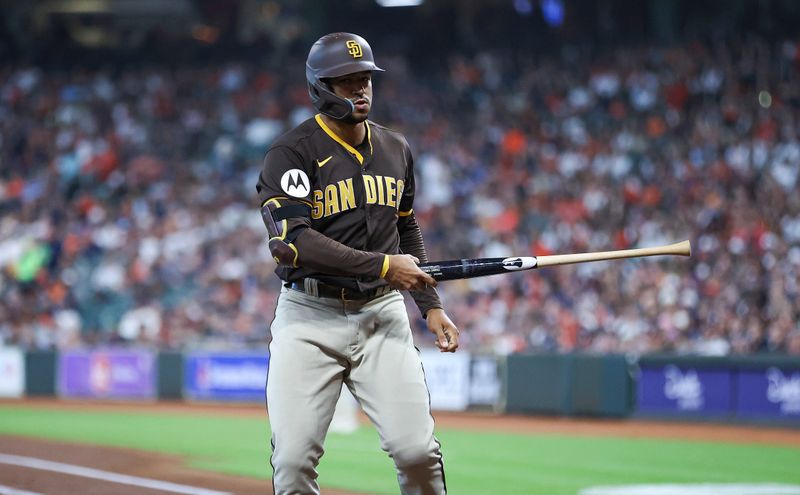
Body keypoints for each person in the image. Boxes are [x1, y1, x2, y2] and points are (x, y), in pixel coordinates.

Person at [255, 32, 459, 495]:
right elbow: (295, 243)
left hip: (380, 315)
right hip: (309, 317)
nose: (360, 89)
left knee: (417, 454)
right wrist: (385, 266)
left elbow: (406, 230)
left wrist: (430, 305)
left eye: (365, 78)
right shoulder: (291, 153)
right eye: (346, 81)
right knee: (291, 463)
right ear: (320, 87)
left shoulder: (396, 149)